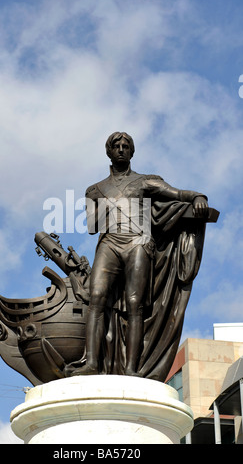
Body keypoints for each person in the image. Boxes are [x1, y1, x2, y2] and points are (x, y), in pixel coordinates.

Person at [69, 131, 208, 377]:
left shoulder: (146, 181)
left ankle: (132, 368)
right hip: (109, 242)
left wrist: (198, 196)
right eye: (116, 145)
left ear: (131, 152)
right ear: (108, 151)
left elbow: (178, 194)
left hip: (138, 242)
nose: (121, 149)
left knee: (135, 304)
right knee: (97, 296)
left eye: (126, 146)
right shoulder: (94, 190)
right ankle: (91, 362)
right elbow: (92, 228)